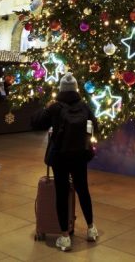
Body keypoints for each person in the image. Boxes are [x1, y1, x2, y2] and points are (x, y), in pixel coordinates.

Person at [31, 73, 98, 252]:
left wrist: (45, 109)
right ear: (76, 89)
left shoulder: (55, 107)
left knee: (61, 194)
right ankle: (91, 229)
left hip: (60, 156)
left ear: (61, 89)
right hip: (80, 156)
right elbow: (96, 126)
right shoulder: (84, 106)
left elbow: (36, 123)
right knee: (83, 190)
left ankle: (65, 237)